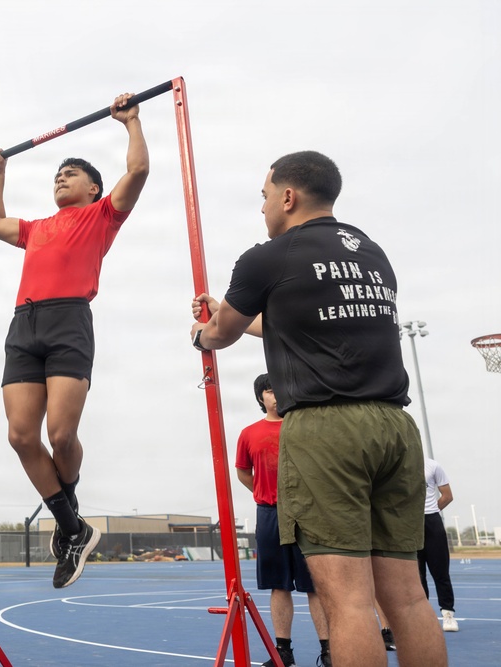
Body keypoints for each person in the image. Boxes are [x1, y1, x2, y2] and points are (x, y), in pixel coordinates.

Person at [189, 151, 447, 666]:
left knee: (348, 600)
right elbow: (300, 321)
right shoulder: (371, 252)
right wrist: (233, 315)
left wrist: (203, 332)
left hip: (327, 428)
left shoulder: (267, 256)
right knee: (407, 596)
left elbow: (220, 334)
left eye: (265, 196)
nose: (263, 207)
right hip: (395, 426)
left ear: (288, 197)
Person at [0, 93, 149, 589]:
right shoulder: (36, 228)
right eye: (57, 174)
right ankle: (74, 528)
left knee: (59, 436)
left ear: (93, 188)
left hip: (68, 321)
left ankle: (67, 514)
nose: (60, 177)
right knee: (19, 436)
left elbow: (138, 171)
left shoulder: (102, 215)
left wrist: (131, 122)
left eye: (70, 173)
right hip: (24, 324)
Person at [235, 374, 331, 667]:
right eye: (269, 391)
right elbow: (243, 473)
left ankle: (329, 650)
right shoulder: (249, 433)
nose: (275, 395)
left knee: (314, 584)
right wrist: (266, 492)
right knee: (279, 585)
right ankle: (283, 652)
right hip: (270, 513)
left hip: (307, 513)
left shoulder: (303, 427)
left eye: (279, 389)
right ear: (260, 397)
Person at [419, 458, 459, 632]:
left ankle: (448, 614)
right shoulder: (396, 463)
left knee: (441, 572)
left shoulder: (432, 465)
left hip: (432, 521)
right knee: (416, 575)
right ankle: (421, 617)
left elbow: (447, 496)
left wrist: (431, 510)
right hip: (409, 524)